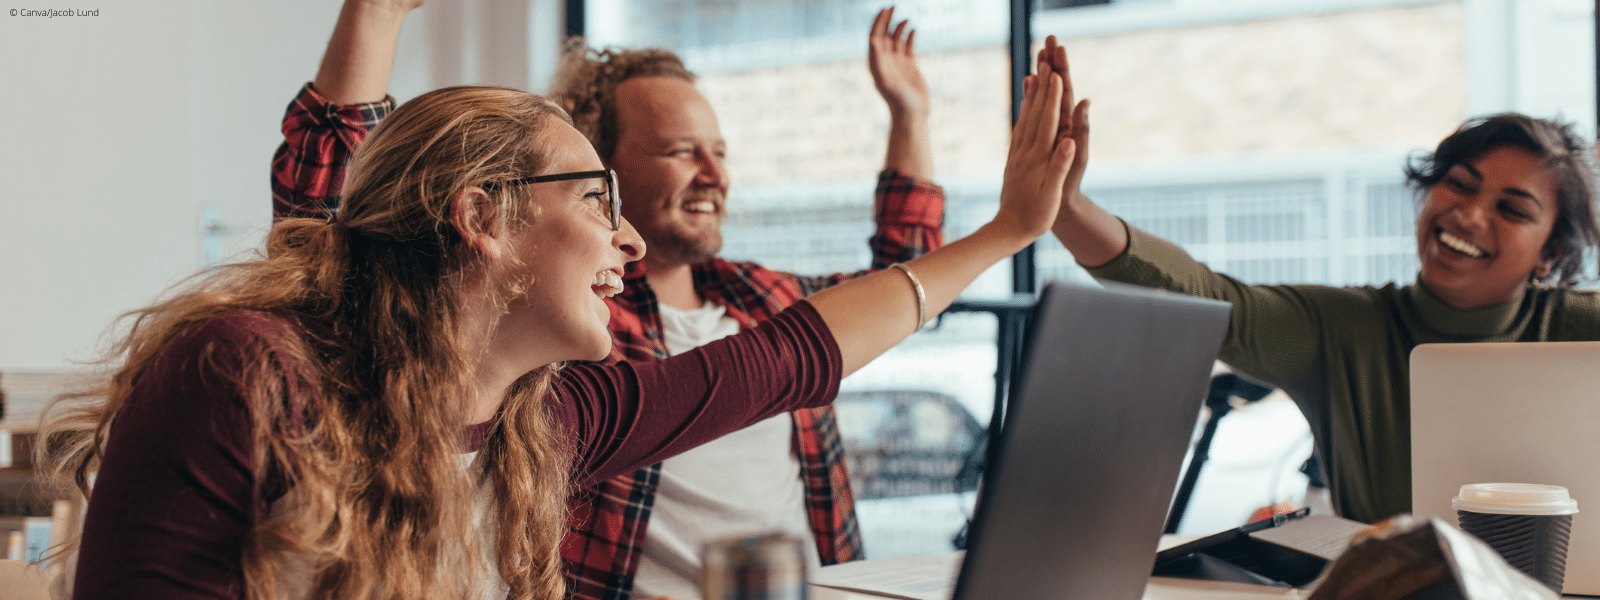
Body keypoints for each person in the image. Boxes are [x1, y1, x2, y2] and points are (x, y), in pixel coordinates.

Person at [49, 45, 1075, 598]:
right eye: (599, 204)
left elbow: (790, 356)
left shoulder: (542, 422)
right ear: (479, 218)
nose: (624, 248)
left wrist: (1008, 231)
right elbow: (326, 206)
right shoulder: (247, 376)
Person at [270, 3, 942, 598]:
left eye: (719, 152)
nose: (714, 174)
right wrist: (376, 14)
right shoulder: (564, 319)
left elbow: (902, 290)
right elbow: (343, 233)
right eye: (682, 151)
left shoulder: (762, 298)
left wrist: (911, 117)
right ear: (603, 162)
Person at [1036, 37, 1600, 525]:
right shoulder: (1344, 329)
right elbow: (1205, 296)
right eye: (1459, 183)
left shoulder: (1580, 329)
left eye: (1512, 209)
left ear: (1549, 255)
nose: (1471, 215)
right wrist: (1066, 207)